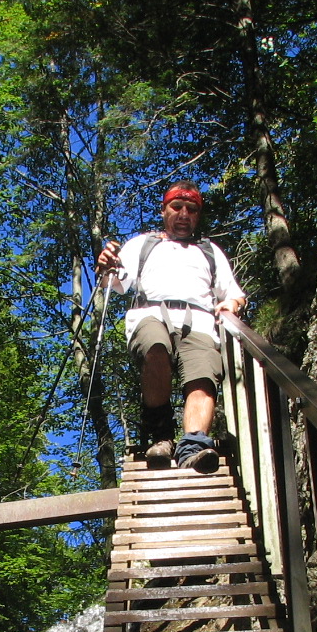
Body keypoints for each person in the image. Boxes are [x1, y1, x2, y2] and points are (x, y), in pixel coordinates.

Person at [95, 182, 247, 473]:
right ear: (164, 210)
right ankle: (161, 436)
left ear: (198, 215)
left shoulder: (210, 251)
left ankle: (193, 446)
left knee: (202, 375)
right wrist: (105, 265)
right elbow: (114, 282)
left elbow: (234, 293)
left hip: (199, 320)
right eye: (177, 207)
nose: (184, 215)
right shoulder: (143, 244)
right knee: (155, 347)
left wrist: (232, 304)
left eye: (191, 209)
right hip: (150, 312)